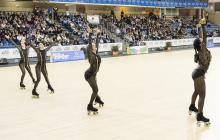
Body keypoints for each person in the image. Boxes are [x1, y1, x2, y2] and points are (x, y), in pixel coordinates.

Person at [189, 18, 212, 126]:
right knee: (203, 95)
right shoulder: (202, 49)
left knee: (197, 92)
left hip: (197, 73)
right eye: (201, 41)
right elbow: (204, 37)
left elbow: (200, 39)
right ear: (200, 44)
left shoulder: (199, 49)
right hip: (198, 74)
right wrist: (203, 26)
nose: (202, 40)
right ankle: (200, 115)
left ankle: (192, 106)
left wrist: (199, 27)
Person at [85, 26, 104, 115]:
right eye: (93, 46)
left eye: (94, 45)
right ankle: (90, 106)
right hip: (89, 75)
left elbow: (97, 42)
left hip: (94, 74)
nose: (94, 45)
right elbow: (90, 43)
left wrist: (98, 34)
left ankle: (97, 98)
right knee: (95, 90)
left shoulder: (96, 53)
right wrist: (90, 34)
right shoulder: (91, 55)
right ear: (91, 48)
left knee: (95, 89)